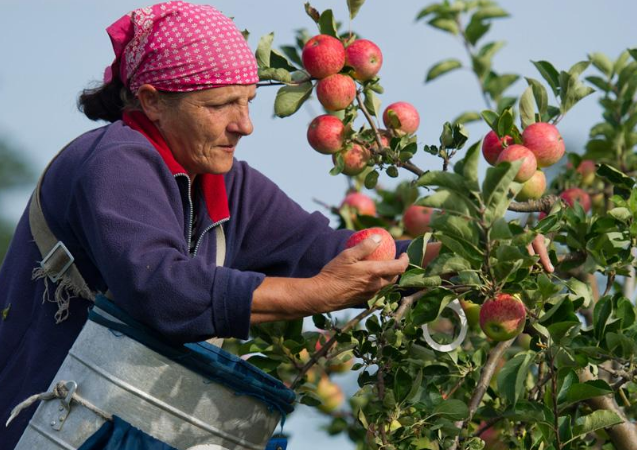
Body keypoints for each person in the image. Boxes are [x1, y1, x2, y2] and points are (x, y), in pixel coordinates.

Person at [0, 2, 552, 448]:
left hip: (122, 427)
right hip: (46, 425)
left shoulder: (222, 182)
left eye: (246, 102)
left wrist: (480, 251)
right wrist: (315, 295)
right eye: (221, 105)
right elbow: (162, 289)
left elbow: (326, 248)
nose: (244, 125)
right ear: (152, 101)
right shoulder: (115, 160)